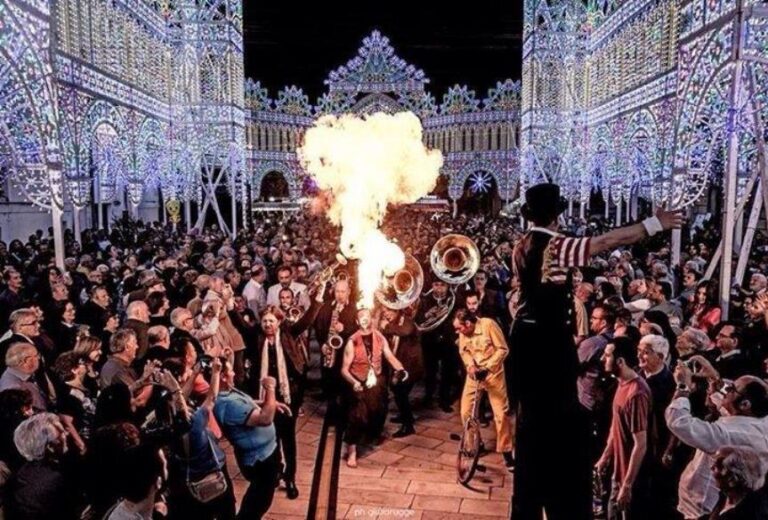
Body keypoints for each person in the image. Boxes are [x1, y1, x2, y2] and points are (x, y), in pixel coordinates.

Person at [509, 182, 682, 520]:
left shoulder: (521, 245)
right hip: (547, 341)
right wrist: (654, 223)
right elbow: (607, 241)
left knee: (533, 416)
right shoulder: (556, 245)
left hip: (526, 339)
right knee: (554, 412)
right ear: (556, 216)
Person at [667, 363, 768, 519]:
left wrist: (683, 387)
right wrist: (714, 378)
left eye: (731, 389)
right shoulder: (758, 419)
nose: (725, 390)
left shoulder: (730, 434)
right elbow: (732, 410)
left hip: (701, 507)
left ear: (745, 404)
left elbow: (679, 422)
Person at [250, 287, 323, 499]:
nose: (267, 324)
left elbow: (307, 320)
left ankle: (290, 477)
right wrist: (229, 308)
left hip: (288, 392)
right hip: (265, 395)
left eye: (271, 321)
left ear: (279, 322)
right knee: (270, 435)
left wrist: (318, 299)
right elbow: (241, 325)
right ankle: (276, 470)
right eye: (265, 321)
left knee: (288, 436)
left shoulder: (289, 333)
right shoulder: (257, 337)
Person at [214, 362, 289, 519]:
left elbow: (245, 404)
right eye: (230, 371)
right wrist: (270, 388)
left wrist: (268, 403)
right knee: (258, 502)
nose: (234, 373)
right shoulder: (227, 404)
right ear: (222, 377)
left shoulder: (227, 393)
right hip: (259, 460)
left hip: (266, 454)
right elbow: (265, 418)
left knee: (260, 497)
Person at [595, 336, 653, 519]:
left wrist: (627, 485)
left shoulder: (636, 394)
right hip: (618, 471)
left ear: (620, 361)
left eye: (607, 356)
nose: (603, 359)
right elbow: (616, 426)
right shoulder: (621, 384)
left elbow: (641, 444)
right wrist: (605, 457)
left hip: (631, 477)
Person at [340, 307, 405, 468]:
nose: (364, 318)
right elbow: (344, 369)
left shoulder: (379, 337)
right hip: (358, 381)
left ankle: (371, 434)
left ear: (371, 319)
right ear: (357, 321)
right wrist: (354, 382)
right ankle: (352, 451)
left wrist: (401, 369)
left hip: (376, 380)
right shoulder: (352, 341)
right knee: (357, 416)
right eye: (361, 316)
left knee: (377, 409)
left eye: (367, 316)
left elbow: (389, 356)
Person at [453, 309, 515, 471]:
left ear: (468, 324)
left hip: (493, 375)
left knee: (501, 414)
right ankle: (474, 445)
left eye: (459, 328)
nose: (457, 332)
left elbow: (503, 349)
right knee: (466, 412)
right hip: (474, 375)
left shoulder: (488, 325)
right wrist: (470, 366)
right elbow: (464, 351)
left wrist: (487, 367)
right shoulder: (463, 333)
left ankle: (507, 452)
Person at [8, 413, 80, 520]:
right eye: (61, 433)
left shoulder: (20, 473)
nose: (67, 434)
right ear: (49, 447)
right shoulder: (55, 478)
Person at [379, 306, 422, 438]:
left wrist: (386, 327)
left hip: (411, 366)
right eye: (384, 312)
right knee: (398, 392)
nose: (386, 314)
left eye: (389, 311)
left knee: (400, 393)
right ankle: (405, 416)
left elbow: (406, 331)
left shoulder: (407, 321)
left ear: (396, 310)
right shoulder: (393, 322)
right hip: (400, 364)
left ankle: (408, 426)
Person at [709, 446, 768, 519]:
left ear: (733, 478)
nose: (711, 468)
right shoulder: (725, 496)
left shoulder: (751, 512)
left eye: (718, 466)